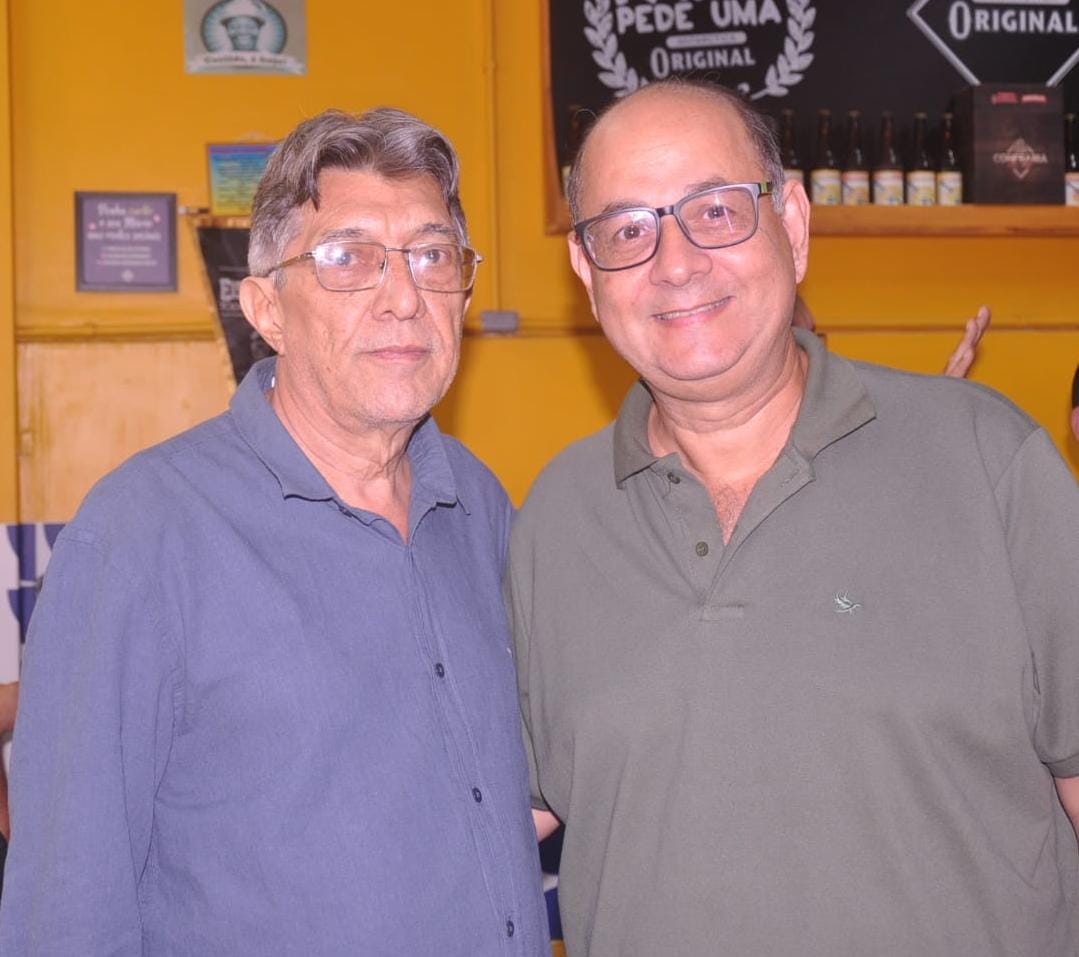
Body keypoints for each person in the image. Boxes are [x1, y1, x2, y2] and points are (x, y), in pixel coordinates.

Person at [509, 79, 1079, 957]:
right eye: (626, 229)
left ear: (794, 226)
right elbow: (504, 810)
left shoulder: (986, 459)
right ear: (586, 274)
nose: (675, 262)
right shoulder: (554, 518)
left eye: (716, 210)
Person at [0, 107, 547, 955]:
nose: (404, 297)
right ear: (266, 308)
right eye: (348, 258)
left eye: (432, 256)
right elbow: (65, 902)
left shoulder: (477, 504)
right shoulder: (143, 533)